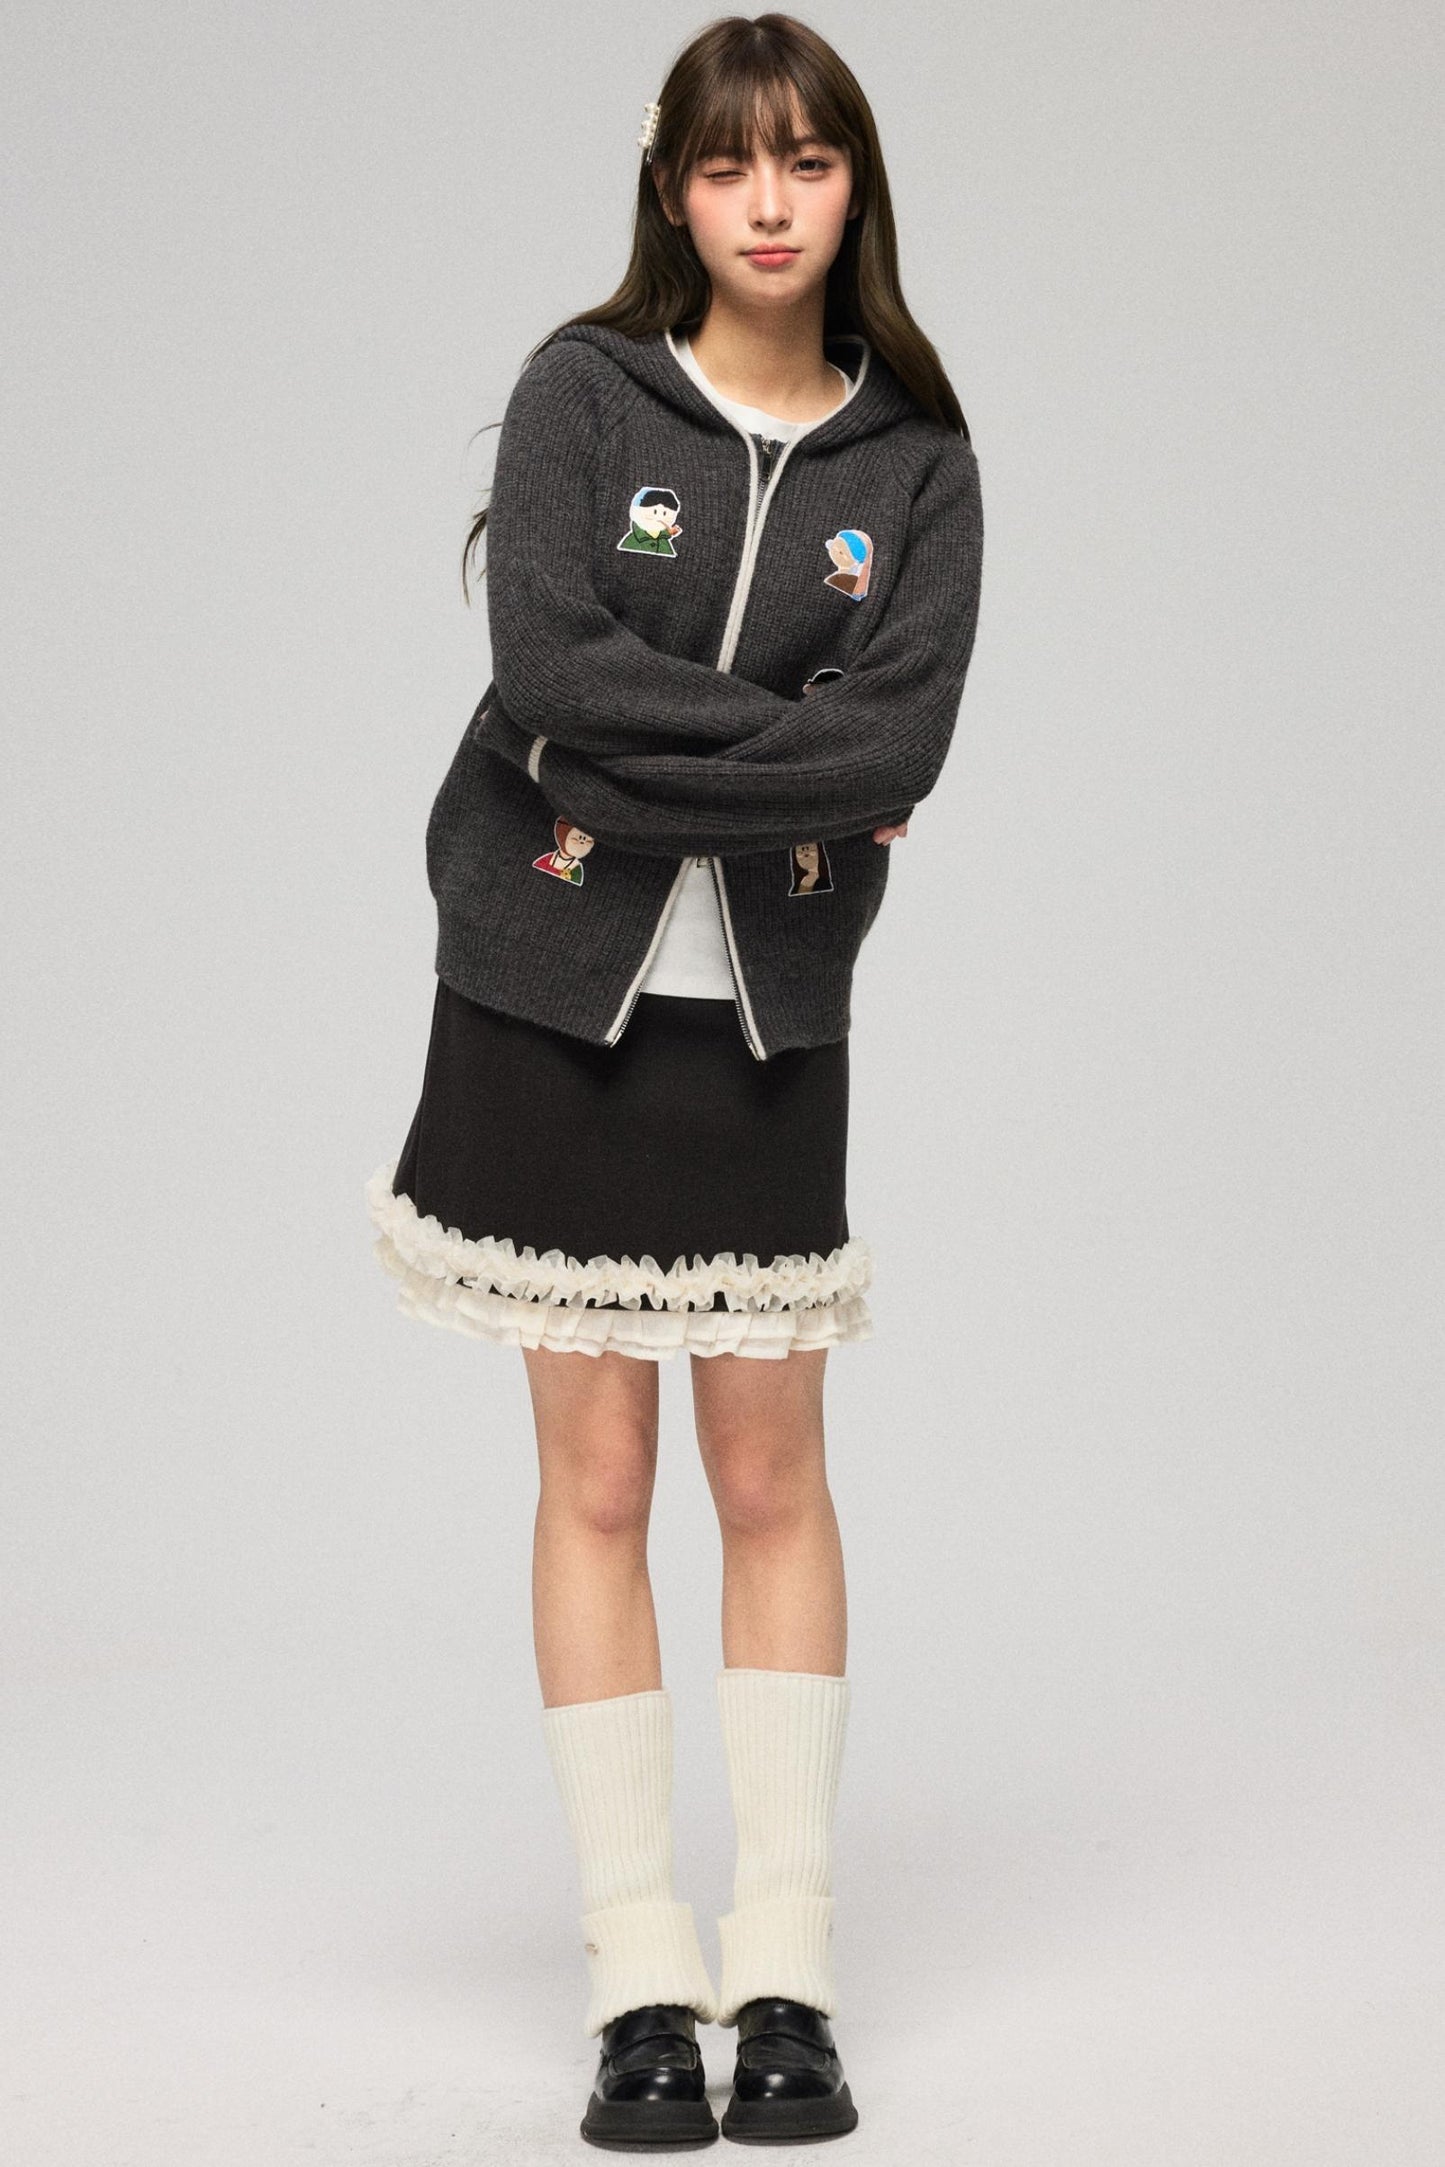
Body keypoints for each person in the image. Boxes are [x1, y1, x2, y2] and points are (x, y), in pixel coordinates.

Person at [364, 11, 983, 2149]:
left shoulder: (917, 464)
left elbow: (904, 743)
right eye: (731, 166)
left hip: (768, 1010)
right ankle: (639, 1972)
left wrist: (631, 755)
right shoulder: (584, 393)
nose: (769, 203)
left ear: (853, 183)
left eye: (806, 161)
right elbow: (542, 669)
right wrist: (788, 758)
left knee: (772, 1470)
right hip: (546, 992)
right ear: (673, 191)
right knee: (601, 1477)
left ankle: (785, 1965)